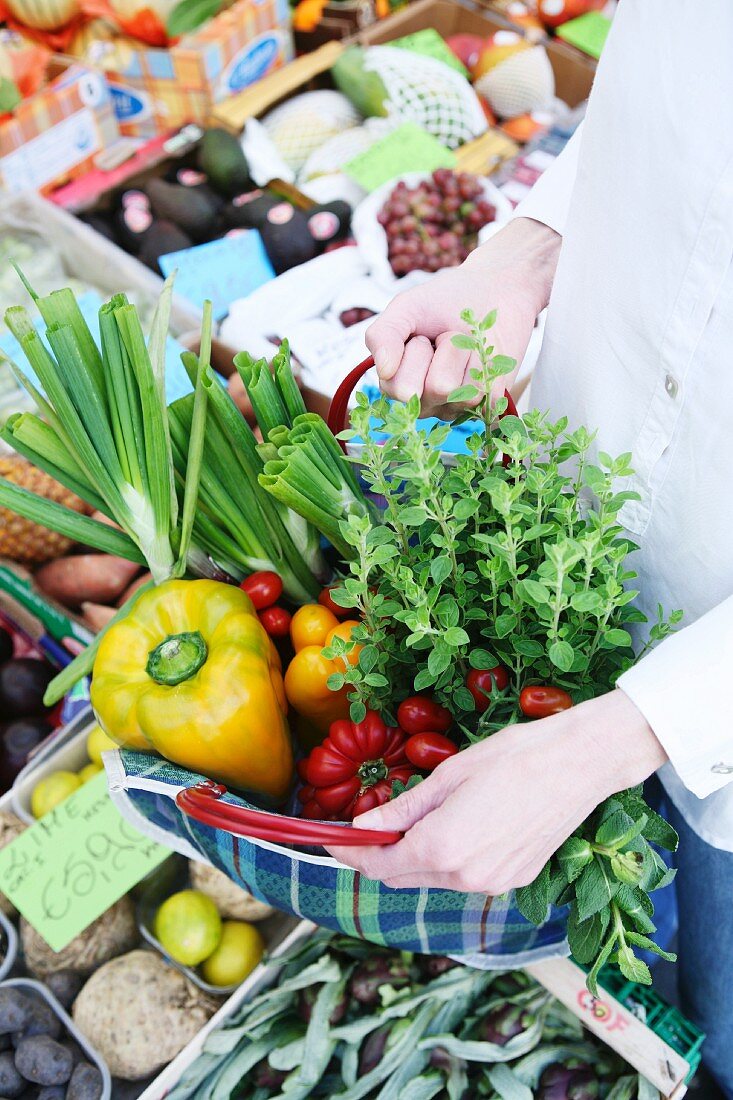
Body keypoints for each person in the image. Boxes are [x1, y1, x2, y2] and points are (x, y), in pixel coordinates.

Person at [326, 3, 733, 1095]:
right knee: (619, 945)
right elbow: (678, 92)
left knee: (728, 1014)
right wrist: (525, 252)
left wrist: (631, 730)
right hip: (577, 530)